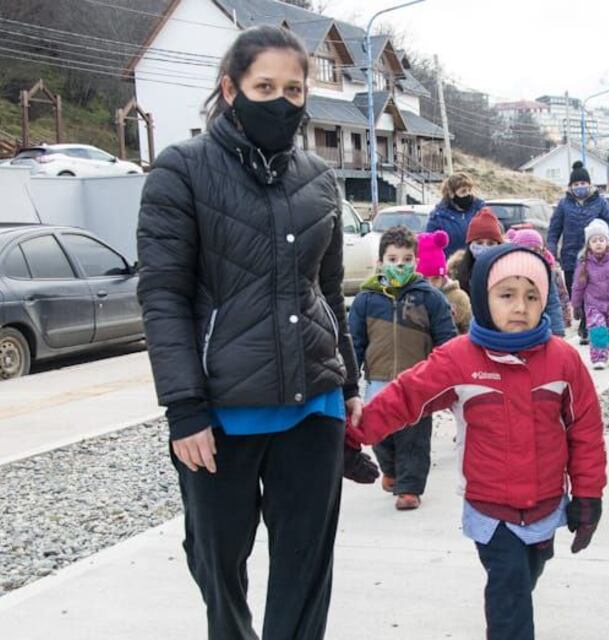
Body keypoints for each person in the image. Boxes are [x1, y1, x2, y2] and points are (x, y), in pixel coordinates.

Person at [136, 26, 378, 640]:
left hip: (314, 405)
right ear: (230, 88)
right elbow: (162, 295)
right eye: (264, 86)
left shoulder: (320, 177)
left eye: (293, 89)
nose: (281, 101)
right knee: (216, 565)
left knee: (304, 571)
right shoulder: (180, 171)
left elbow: (327, 291)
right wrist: (184, 408)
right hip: (221, 413)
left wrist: (348, 382)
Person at [347, 244, 607, 640]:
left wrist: (589, 495)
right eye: (507, 295)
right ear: (484, 298)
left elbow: (585, 430)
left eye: (531, 296)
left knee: (525, 578)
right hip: (490, 510)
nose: (520, 306)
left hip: (545, 506)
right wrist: (350, 438)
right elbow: (405, 397)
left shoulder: (563, 360)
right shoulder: (460, 358)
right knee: (509, 594)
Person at [348, 226, 458, 510]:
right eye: (393, 259)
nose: (400, 265)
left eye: (406, 259)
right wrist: (350, 376)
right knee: (379, 433)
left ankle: (409, 488)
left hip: (417, 383)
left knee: (414, 437)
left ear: (416, 262)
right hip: (378, 380)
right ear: (381, 262)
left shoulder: (430, 298)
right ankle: (391, 471)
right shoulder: (366, 299)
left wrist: (446, 375)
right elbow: (354, 343)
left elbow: (446, 339)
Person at [449, 209, 567, 337]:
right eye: (479, 243)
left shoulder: (515, 267)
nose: (484, 247)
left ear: (499, 244)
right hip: (473, 336)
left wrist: (556, 332)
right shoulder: (456, 272)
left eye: (490, 243)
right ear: (470, 245)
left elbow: (550, 303)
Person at [547, 161, 609, 295]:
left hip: (596, 259)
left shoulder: (600, 202)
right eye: (576, 184)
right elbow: (553, 232)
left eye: (583, 183)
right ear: (571, 187)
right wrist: (551, 254)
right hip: (571, 260)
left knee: (594, 299)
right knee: (576, 299)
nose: (580, 187)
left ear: (589, 184)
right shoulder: (563, 204)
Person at [570, 220, 609, 370]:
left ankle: (606, 349)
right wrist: (576, 305)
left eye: (601, 240)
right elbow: (578, 286)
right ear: (588, 244)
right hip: (593, 304)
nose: (598, 243)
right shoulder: (584, 263)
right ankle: (598, 358)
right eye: (594, 240)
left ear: (607, 242)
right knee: (598, 330)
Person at [506, 227, 573, 329]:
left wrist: (558, 329)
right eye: (527, 251)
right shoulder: (508, 273)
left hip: (542, 325)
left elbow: (554, 303)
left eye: (537, 250)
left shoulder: (547, 272)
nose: (533, 254)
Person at [417, 229, 472, 334]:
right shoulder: (409, 299)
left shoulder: (458, 298)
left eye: (436, 278)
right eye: (424, 279)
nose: (430, 285)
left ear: (443, 276)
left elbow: (468, 332)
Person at [426, 172, 486, 258]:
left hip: (476, 264)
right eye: (463, 191)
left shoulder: (480, 210)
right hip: (450, 265)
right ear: (451, 194)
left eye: (469, 190)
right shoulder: (438, 217)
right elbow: (430, 245)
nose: (468, 194)